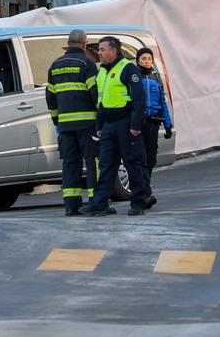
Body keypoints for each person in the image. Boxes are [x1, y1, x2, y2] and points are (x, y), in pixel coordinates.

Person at [80, 36, 150, 217]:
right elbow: (101, 101)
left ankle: (138, 202)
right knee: (106, 165)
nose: (99, 53)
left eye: (102, 49)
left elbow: (139, 99)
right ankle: (100, 203)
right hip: (109, 125)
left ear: (114, 51)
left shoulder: (128, 69)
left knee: (132, 163)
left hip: (126, 124)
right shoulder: (102, 71)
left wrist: (135, 125)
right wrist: (100, 125)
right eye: (99, 50)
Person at [45, 30, 100, 216]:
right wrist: (101, 119)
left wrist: (57, 121)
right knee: (93, 162)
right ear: (84, 44)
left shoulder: (55, 65)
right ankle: (96, 201)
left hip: (66, 126)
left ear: (68, 44)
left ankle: (71, 205)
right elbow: (96, 94)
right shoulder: (87, 64)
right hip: (88, 124)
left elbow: (50, 98)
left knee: (70, 164)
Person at [135, 47, 173, 209]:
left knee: (151, 158)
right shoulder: (134, 76)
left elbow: (162, 101)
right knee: (140, 157)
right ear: (137, 60)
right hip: (139, 122)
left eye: (149, 59)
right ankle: (145, 193)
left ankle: (146, 188)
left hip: (153, 122)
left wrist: (168, 124)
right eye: (143, 58)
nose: (146, 61)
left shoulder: (156, 77)